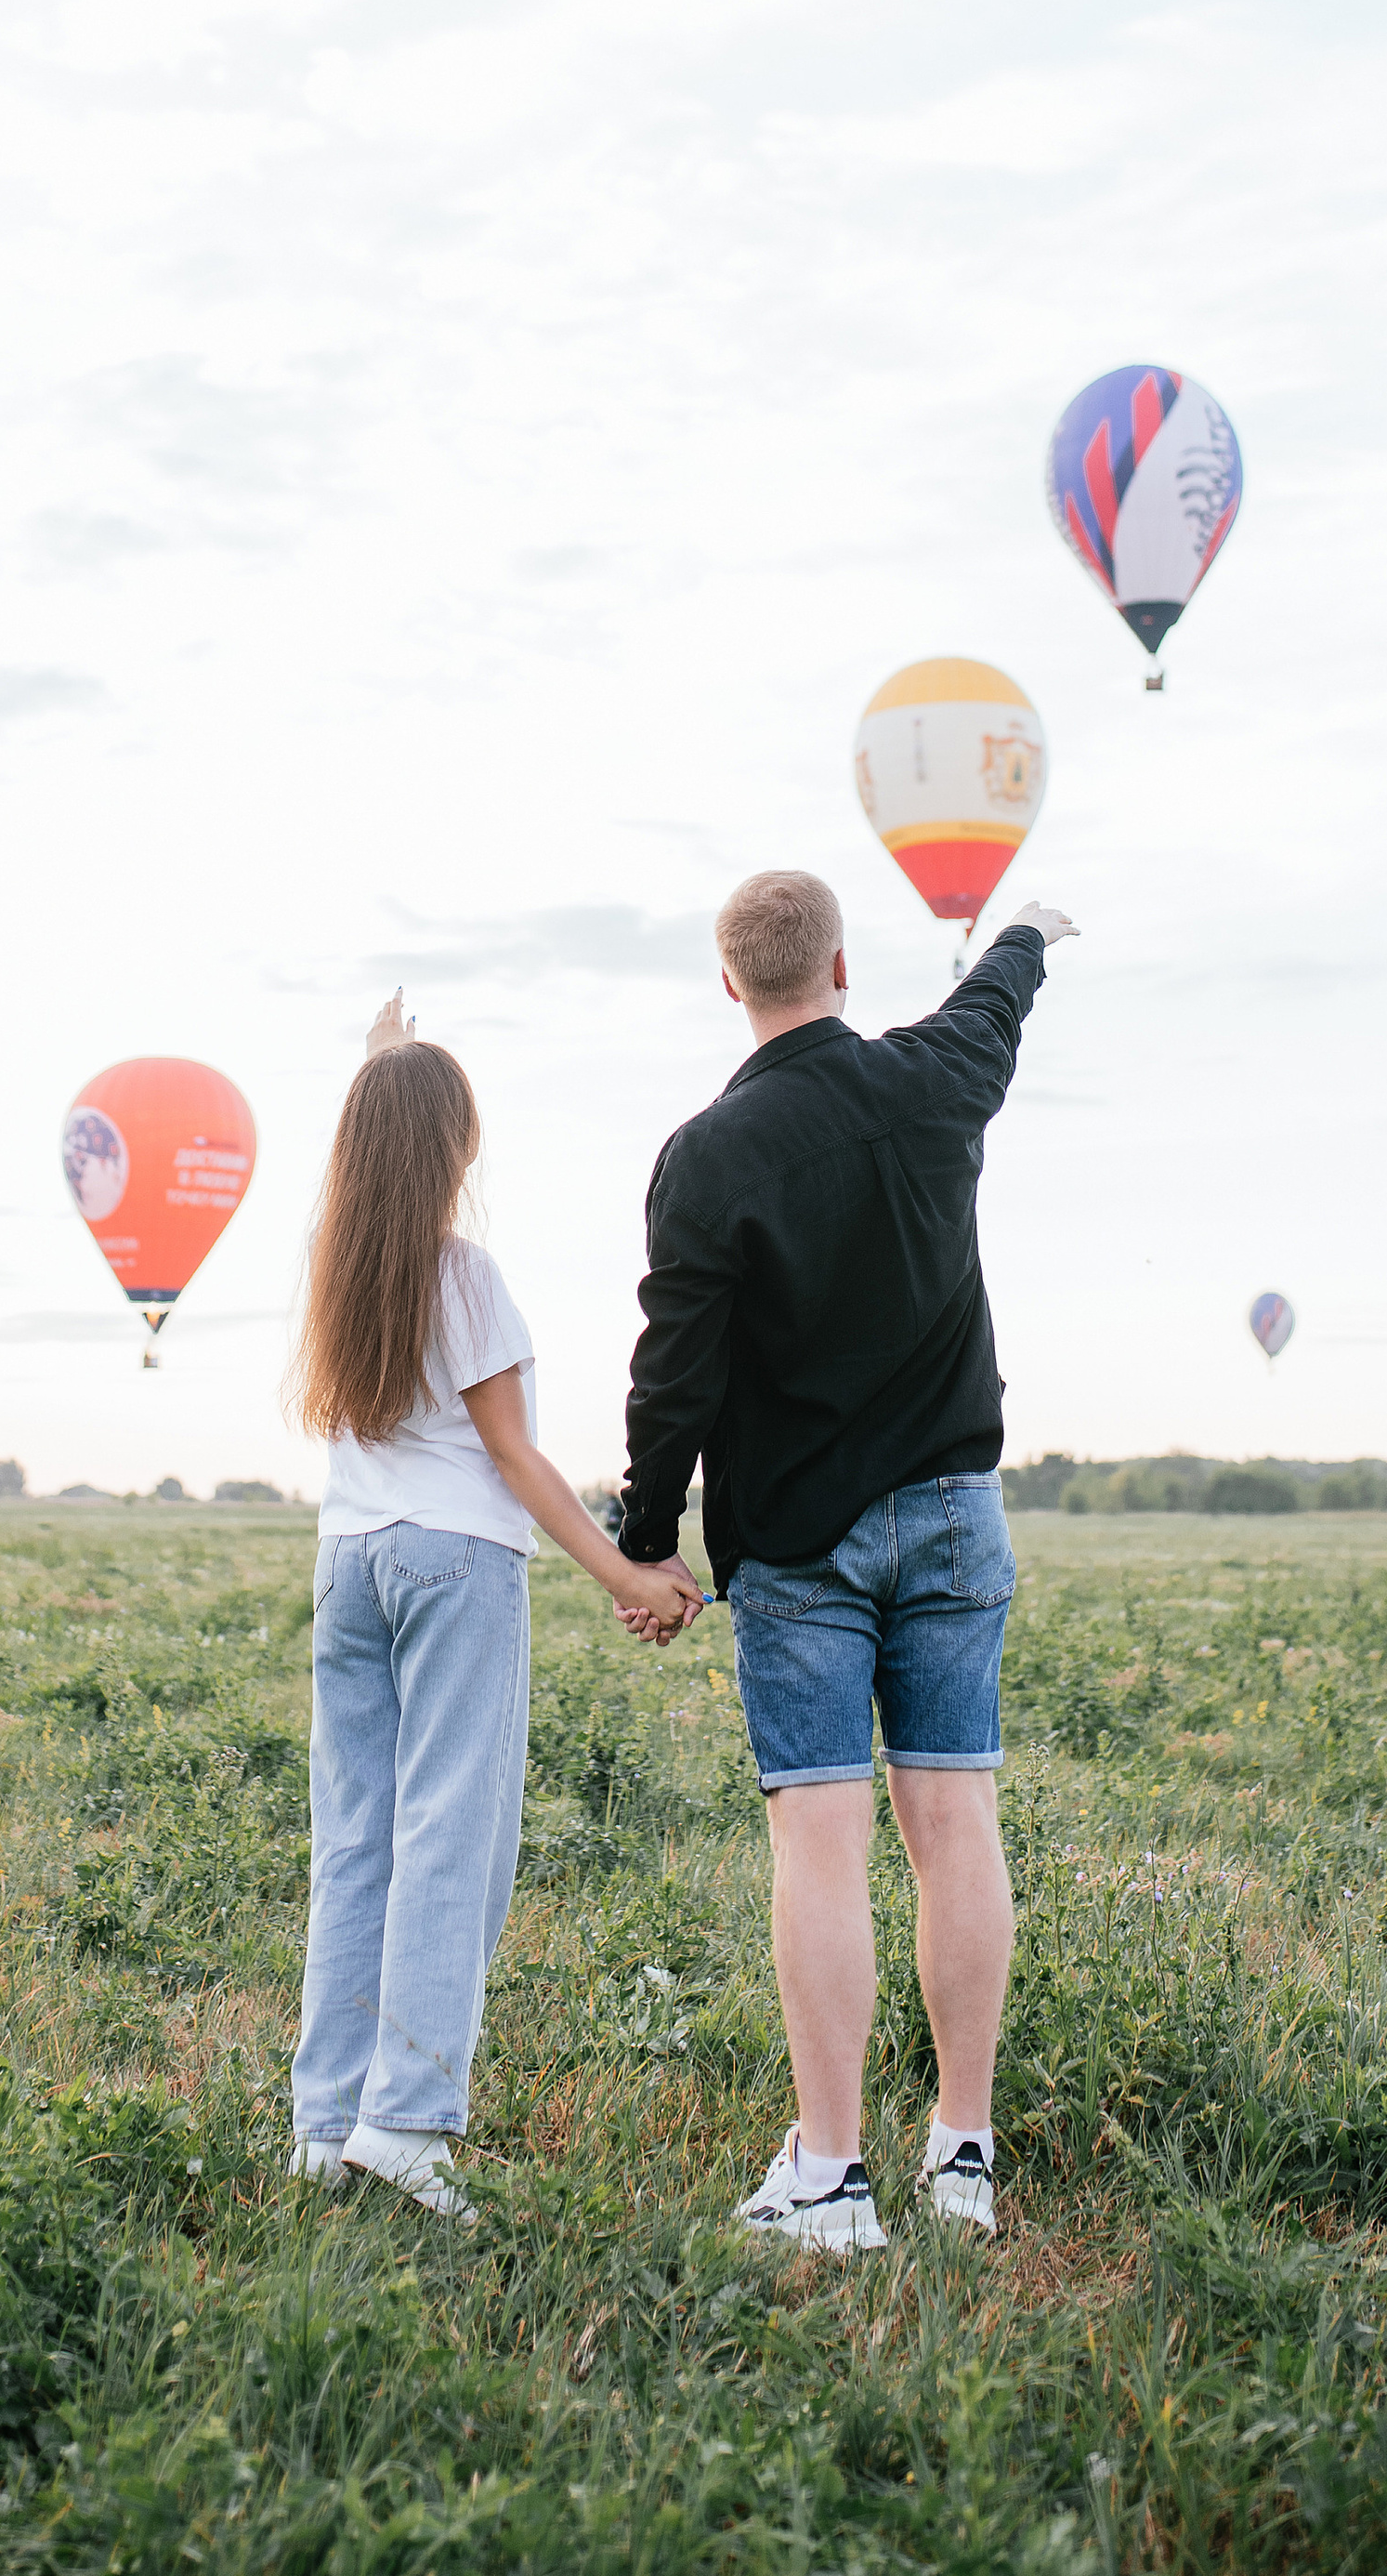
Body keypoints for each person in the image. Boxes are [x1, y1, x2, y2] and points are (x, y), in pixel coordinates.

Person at [616, 870, 1076, 2252]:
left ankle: (828, 2180)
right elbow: (993, 1003)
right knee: (957, 1832)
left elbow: (673, 1380)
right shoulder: (933, 1078)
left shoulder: (705, 1159)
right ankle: (963, 2158)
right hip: (953, 1511)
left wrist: (647, 1538)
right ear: (841, 965)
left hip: (800, 1546)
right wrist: (1029, 933)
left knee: (821, 1843)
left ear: (729, 984)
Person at [288, 993, 698, 2221]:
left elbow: (378, 1137)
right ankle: (406, 2122)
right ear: (455, 1154)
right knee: (451, 1838)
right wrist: (626, 1573)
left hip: (350, 1562)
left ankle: (326, 2120)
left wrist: (380, 1064)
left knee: (358, 1838)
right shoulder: (465, 1275)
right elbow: (515, 1461)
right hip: (457, 1561)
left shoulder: (335, 1260)